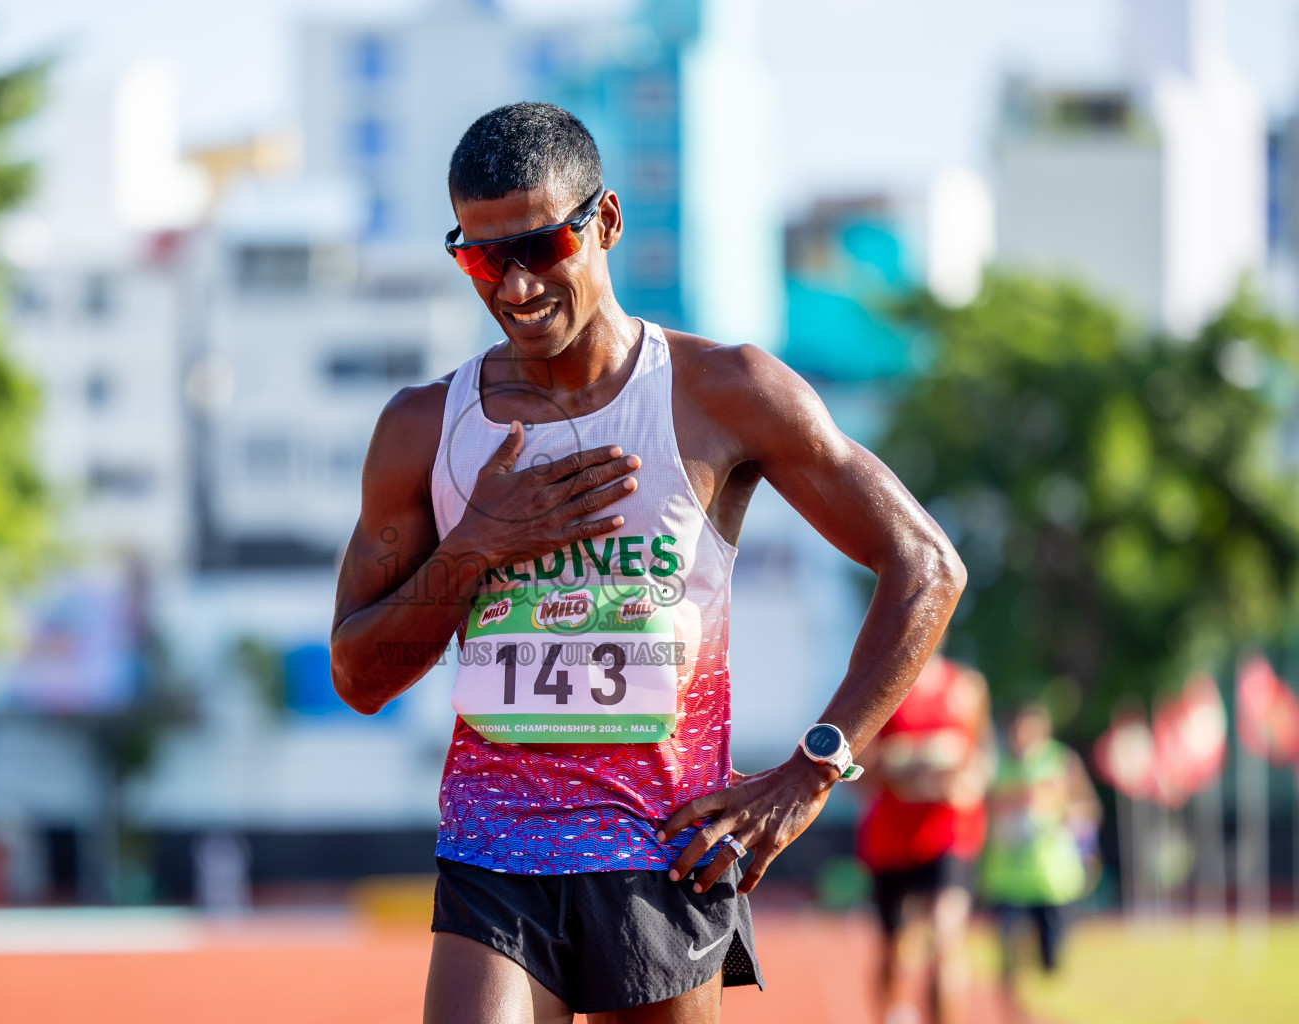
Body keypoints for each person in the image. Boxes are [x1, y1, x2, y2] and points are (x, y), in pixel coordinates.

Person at [329, 102, 966, 1023]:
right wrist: (477, 548)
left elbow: (926, 566)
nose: (513, 287)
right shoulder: (424, 428)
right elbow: (357, 675)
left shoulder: (725, 395)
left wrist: (810, 772)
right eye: (479, 257)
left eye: (541, 247)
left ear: (608, 221)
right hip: (494, 848)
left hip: (664, 852)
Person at [856, 653, 993, 1024]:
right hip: (891, 838)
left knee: (946, 937)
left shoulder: (966, 686)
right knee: (894, 951)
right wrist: (911, 764)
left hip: (950, 833)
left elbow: (981, 759)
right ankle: (889, 1014)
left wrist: (965, 779)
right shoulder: (881, 688)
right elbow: (858, 770)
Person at [979, 703, 1100, 1017]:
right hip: (1007, 879)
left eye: (1030, 731)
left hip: (1053, 881)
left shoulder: (1062, 762)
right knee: (1009, 955)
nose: (1023, 738)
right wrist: (1013, 799)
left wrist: (1064, 810)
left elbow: (1089, 809)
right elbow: (982, 810)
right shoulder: (995, 765)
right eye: (1017, 731)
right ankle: (1014, 1012)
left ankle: (1042, 1000)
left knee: (1051, 964)